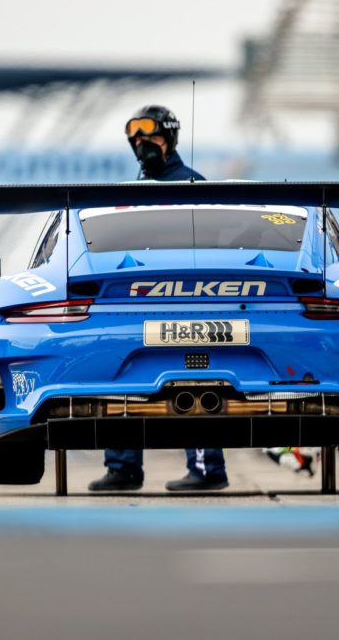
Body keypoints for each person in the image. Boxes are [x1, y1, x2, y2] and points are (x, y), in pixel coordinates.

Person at [88, 105, 229, 493]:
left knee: (193, 381)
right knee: (122, 375)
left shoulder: (193, 185)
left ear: (168, 138)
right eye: (136, 139)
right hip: (134, 302)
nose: (142, 145)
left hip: (187, 302)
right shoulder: (131, 190)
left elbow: (213, 248)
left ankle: (207, 468)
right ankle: (122, 467)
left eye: (150, 137)